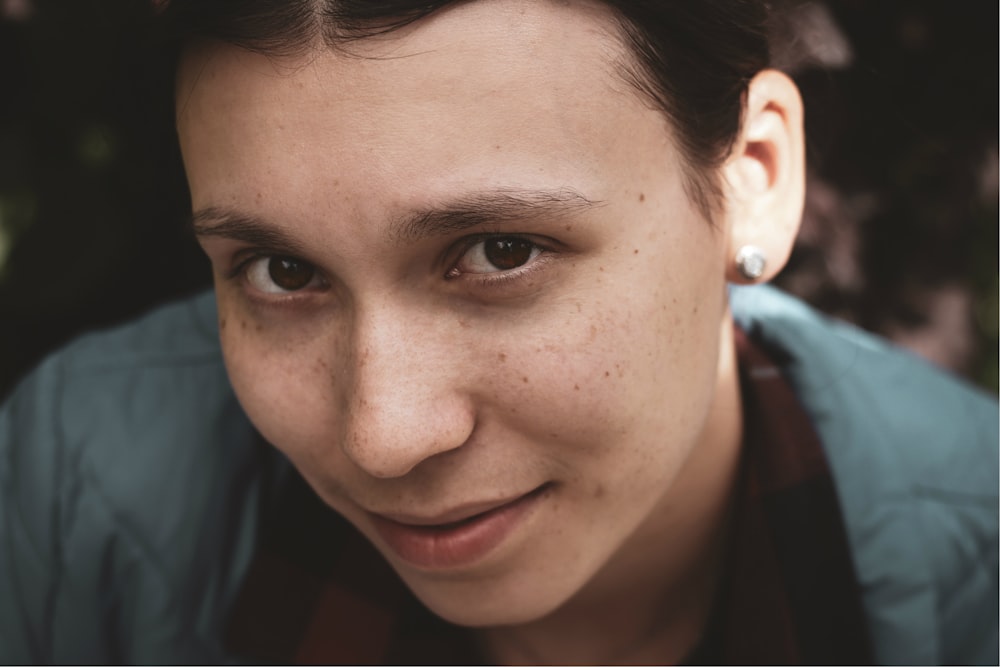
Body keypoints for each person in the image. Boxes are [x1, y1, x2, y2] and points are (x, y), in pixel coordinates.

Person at [0, 0, 996, 663]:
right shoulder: (77, 482)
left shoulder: (976, 568)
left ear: (756, 179)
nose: (381, 438)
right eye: (283, 272)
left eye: (501, 252)